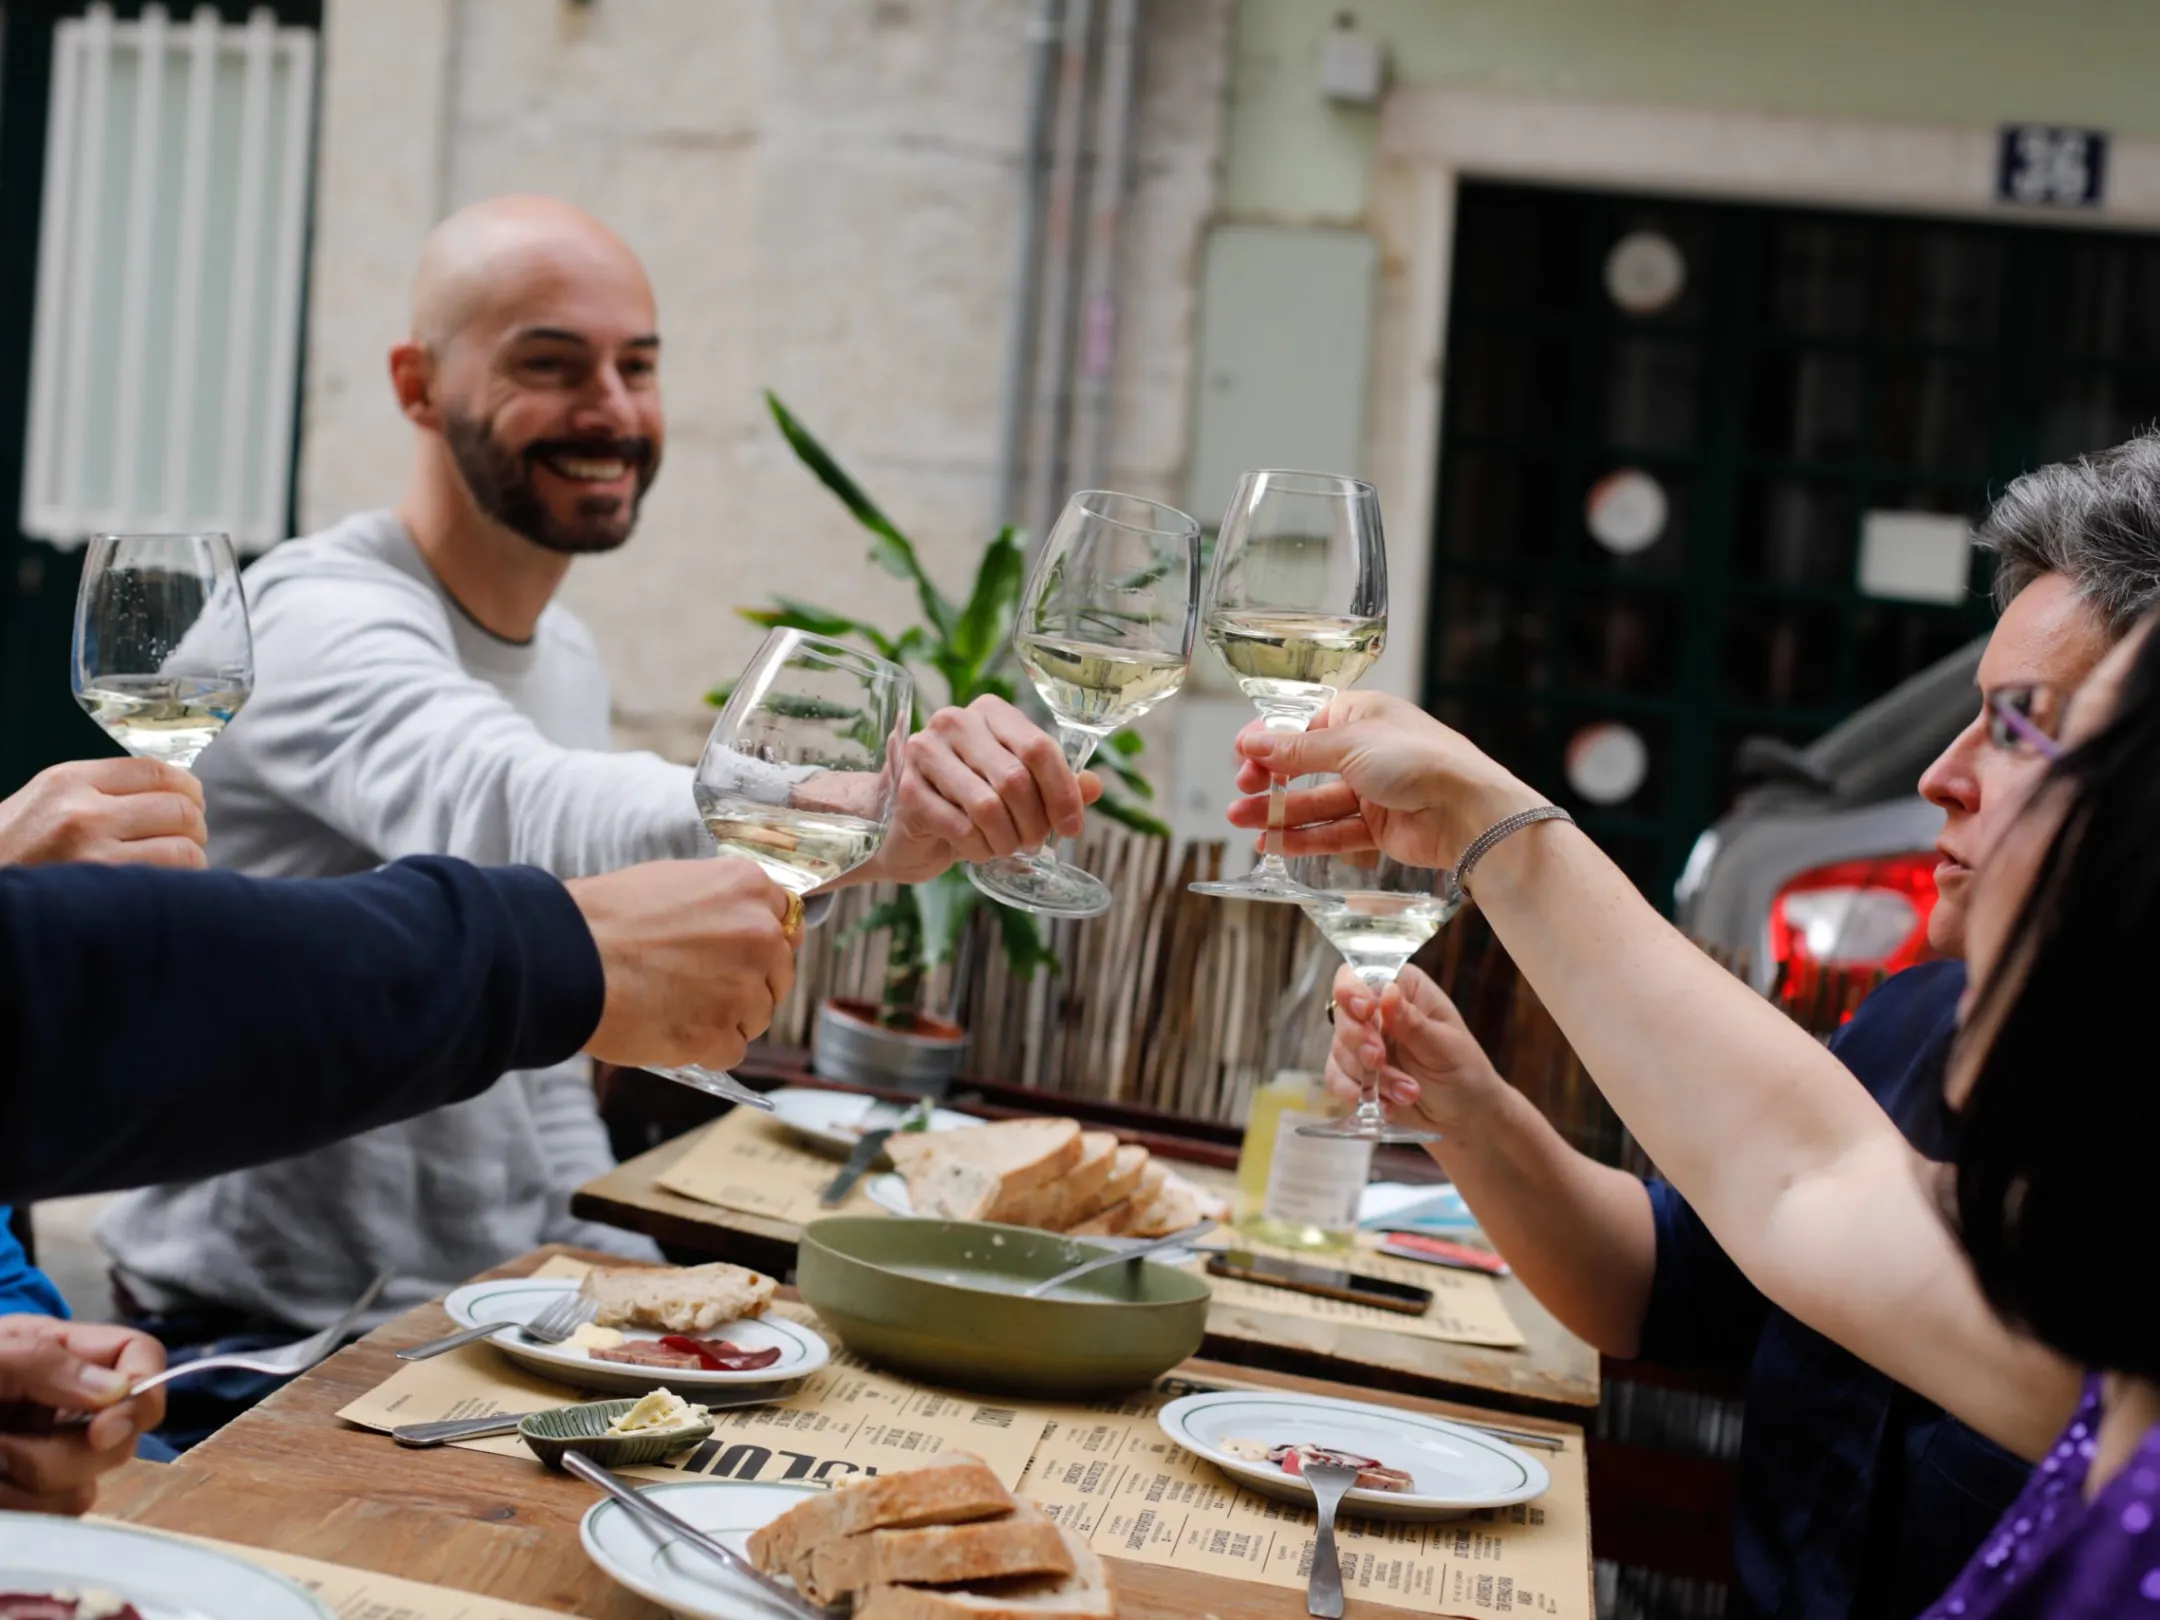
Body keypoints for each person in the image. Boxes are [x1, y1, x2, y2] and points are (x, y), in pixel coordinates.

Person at [99, 194, 1099, 1363]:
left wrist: (628, 1273)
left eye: (640, 365)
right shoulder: (310, 615)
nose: (613, 410)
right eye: (552, 363)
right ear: (418, 385)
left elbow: (551, 1059)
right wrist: (846, 816)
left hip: (489, 1315)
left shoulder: (563, 657)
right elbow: (510, 809)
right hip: (258, 1343)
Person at [1243, 445, 2159, 1620]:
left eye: (2029, 734)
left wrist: (1488, 818)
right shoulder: (1948, 1069)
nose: (1941, 778)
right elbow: (1780, 1198)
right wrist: (1475, 1109)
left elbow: (1808, 1177)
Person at [0, 841, 797, 1511]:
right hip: (268, 1330)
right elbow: (68, 995)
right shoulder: (333, 666)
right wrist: (556, 946)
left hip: (437, 1328)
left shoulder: (569, 670)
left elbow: (554, 1089)